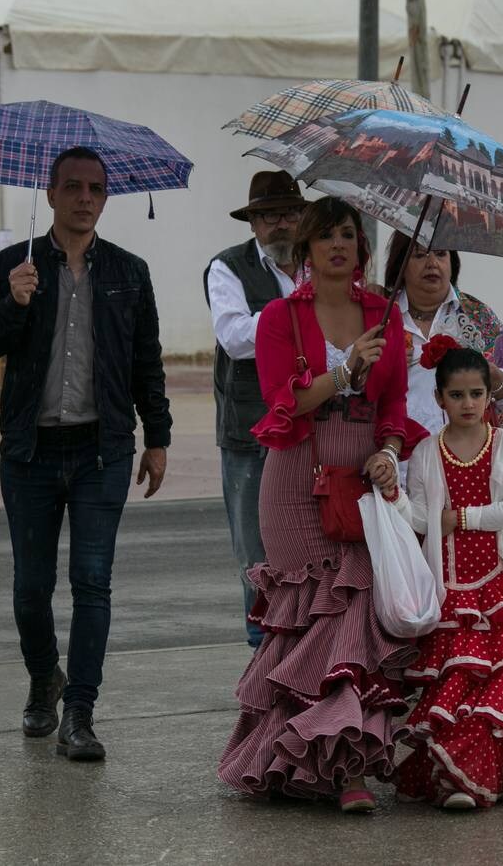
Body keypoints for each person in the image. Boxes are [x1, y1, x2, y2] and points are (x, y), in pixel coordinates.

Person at [217, 197, 428, 812]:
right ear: (305, 250)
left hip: (362, 475)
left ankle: (346, 769)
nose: (338, 244)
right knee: (307, 616)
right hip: (295, 481)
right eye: (325, 235)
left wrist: (390, 449)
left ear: (361, 248)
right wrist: (344, 371)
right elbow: (281, 401)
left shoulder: (382, 313)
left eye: (347, 234)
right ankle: (287, 757)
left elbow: (392, 406)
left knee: (354, 615)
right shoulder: (281, 316)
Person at [0, 146, 172, 761]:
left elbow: (146, 363)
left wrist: (157, 437)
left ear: (106, 199)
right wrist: (13, 303)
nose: (85, 198)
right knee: (31, 586)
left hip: (100, 452)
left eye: (96, 189)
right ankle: (41, 680)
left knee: (92, 581)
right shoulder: (13, 264)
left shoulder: (128, 272)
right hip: (29, 451)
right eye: (74, 187)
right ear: (50, 194)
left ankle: (79, 711)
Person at [391, 337, 503, 809]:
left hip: (496, 590)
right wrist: (394, 498)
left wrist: (460, 518)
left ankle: (478, 778)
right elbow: (422, 519)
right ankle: (458, 779)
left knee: (494, 686)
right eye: (456, 395)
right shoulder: (426, 452)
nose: (468, 403)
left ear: (490, 396)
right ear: (439, 398)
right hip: (448, 589)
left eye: (476, 394)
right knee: (457, 682)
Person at [204, 171, 309, 648]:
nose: (280, 224)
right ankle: (261, 643)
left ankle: (309, 641)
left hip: (314, 424)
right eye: (268, 216)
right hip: (249, 428)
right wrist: (301, 315)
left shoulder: (320, 263)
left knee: (312, 539)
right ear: (253, 224)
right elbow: (235, 338)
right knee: (254, 547)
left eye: (288, 213)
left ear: (304, 216)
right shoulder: (226, 268)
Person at [382, 232, 503, 441]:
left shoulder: (477, 315)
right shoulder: (380, 314)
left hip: (470, 458)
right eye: (419, 255)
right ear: (400, 265)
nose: (432, 263)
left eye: (440, 254)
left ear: (452, 262)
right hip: (397, 456)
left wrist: (496, 378)